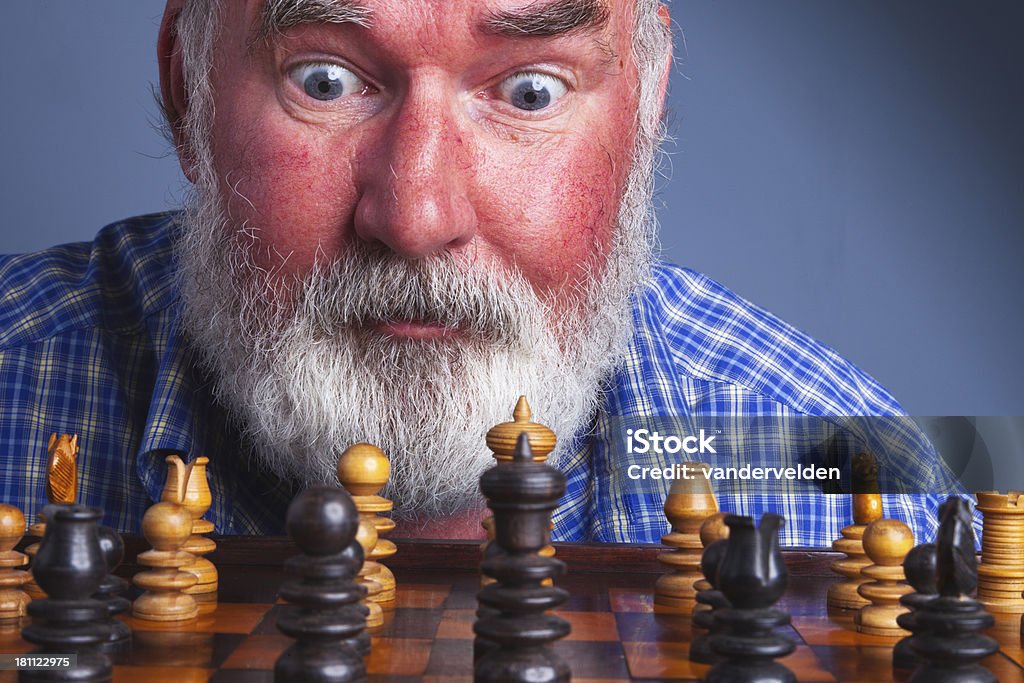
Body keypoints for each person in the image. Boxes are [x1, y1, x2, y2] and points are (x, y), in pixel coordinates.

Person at [0, 0, 962, 546]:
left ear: (648, 105)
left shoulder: (862, 487)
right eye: (324, 81)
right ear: (185, 90)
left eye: (529, 91)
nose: (417, 220)